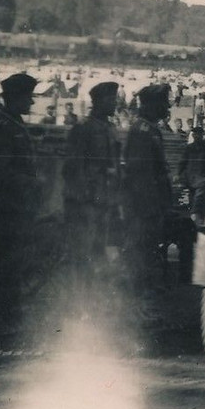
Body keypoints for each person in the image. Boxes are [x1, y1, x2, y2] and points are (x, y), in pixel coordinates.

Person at [0, 73, 43, 334]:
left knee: (14, 259)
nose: (31, 103)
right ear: (14, 97)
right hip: (7, 207)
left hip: (19, 206)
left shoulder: (13, 122)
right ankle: (1, 316)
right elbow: (0, 171)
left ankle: (7, 311)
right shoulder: (3, 126)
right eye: (28, 97)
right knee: (5, 260)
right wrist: (30, 183)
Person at [62, 81, 121, 295]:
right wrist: (84, 195)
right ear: (100, 101)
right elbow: (72, 166)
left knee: (99, 250)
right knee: (83, 253)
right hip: (86, 203)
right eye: (112, 100)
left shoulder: (109, 128)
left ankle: (93, 298)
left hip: (104, 200)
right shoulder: (83, 129)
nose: (116, 103)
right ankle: (78, 299)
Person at [121, 83, 175, 300]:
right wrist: (151, 206)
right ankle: (135, 298)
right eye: (162, 102)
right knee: (140, 249)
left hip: (151, 203)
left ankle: (142, 293)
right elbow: (140, 174)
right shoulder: (142, 131)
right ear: (151, 105)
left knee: (148, 248)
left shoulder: (150, 129)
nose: (167, 107)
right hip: (144, 204)